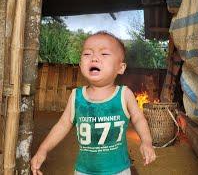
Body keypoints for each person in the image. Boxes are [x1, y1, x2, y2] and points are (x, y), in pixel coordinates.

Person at [31, 31, 156, 175]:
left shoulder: (124, 94)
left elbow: (139, 119)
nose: (94, 58)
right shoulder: (76, 96)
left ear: (120, 68)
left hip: (119, 170)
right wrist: (43, 149)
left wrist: (146, 142)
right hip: (84, 171)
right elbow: (63, 124)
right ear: (80, 64)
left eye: (104, 54)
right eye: (87, 54)